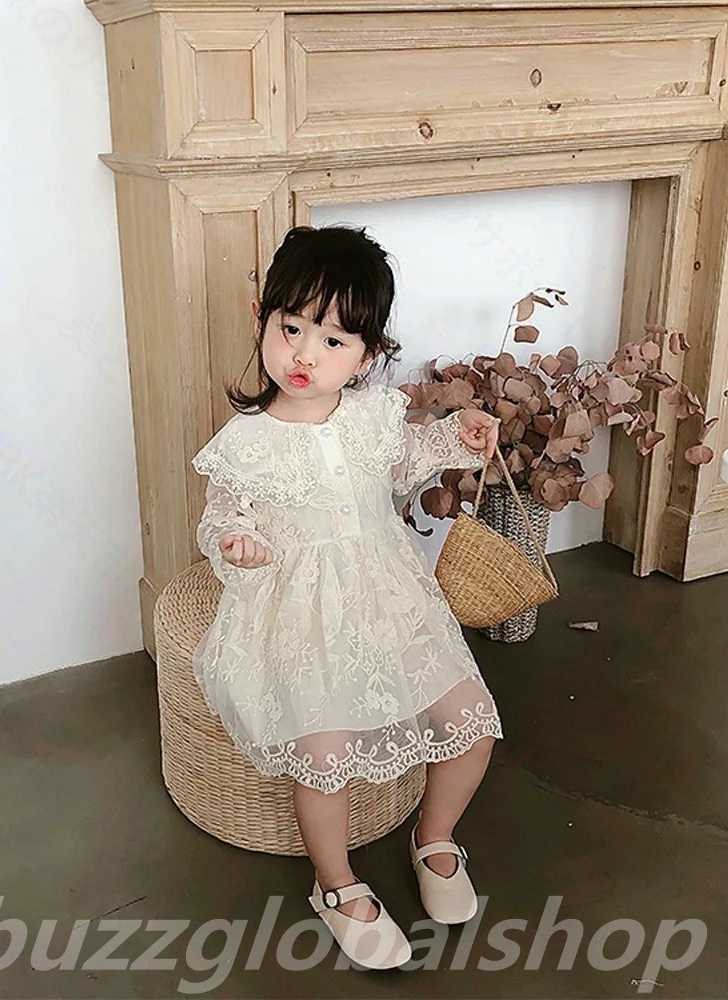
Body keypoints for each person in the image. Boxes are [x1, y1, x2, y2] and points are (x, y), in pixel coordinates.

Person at [190, 224, 503, 970]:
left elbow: (405, 462)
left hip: (390, 596)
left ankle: (434, 837)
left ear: (368, 355)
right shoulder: (246, 441)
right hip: (301, 612)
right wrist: (237, 541)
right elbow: (222, 515)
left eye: (332, 340)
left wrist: (456, 437)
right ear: (262, 319)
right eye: (291, 328)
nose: (304, 355)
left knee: (474, 726)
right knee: (323, 757)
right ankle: (336, 885)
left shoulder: (373, 413)